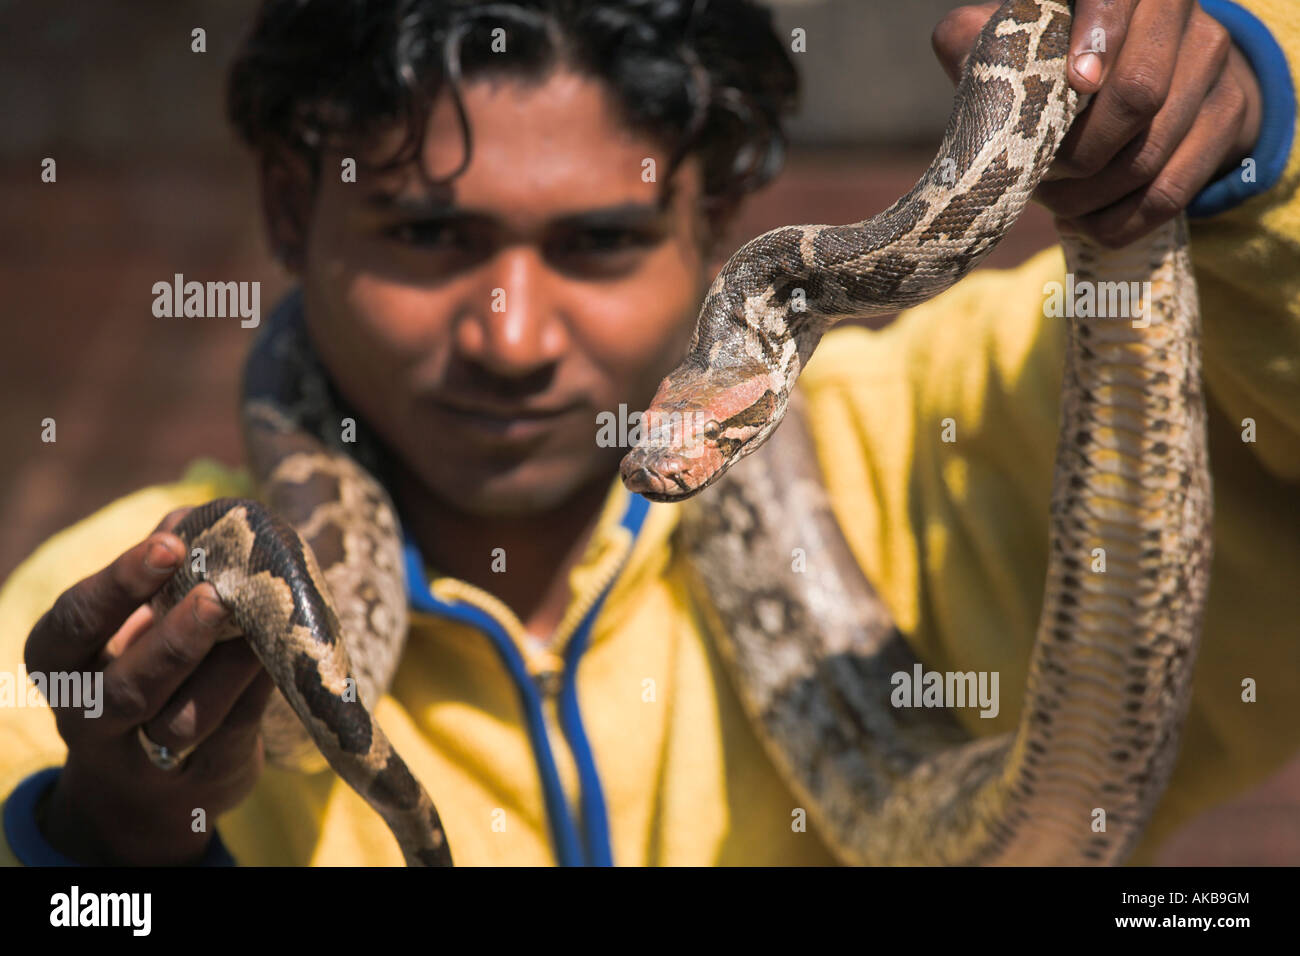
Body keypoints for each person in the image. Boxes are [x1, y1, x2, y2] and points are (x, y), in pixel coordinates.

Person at [1, 0, 1295, 867]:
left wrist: (1254, 125)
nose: (511, 337)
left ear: (722, 216)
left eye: (599, 243)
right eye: (429, 237)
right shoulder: (99, 617)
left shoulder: (933, 424)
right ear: (289, 212)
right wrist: (105, 840)